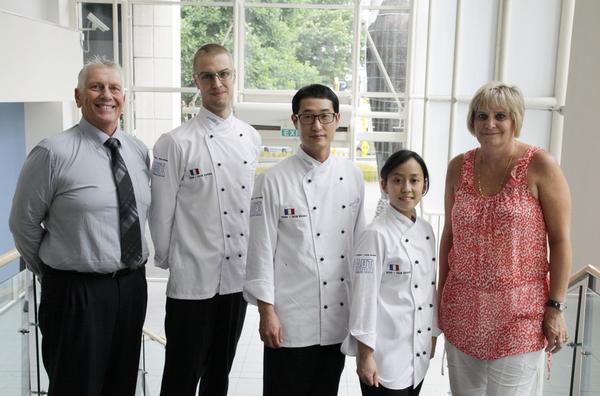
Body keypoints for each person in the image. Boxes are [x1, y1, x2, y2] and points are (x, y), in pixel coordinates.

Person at [9, 57, 151, 396]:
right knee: (76, 386)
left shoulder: (137, 150)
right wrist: (54, 271)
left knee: (122, 384)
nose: (106, 95)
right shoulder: (51, 153)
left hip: (131, 287)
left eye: (114, 88)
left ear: (124, 99)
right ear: (78, 96)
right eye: (96, 86)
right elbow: (22, 223)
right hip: (76, 293)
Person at [438, 81, 572, 395]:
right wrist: (439, 301)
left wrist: (556, 306)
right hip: (462, 311)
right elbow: (449, 236)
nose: (490, 124)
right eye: (481, 116)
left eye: (500, 116)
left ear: (515, 121)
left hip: (520, 315)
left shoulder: (541, 166)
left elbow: (561, 240)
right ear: (472, 122)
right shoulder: (458, 167)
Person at [149, 43, 261, 396]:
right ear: (196, 80)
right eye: (208, 76)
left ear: (234, 75)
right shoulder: (175, 142)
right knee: (181, 375)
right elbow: (160, 212)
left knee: (220, 375)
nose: (217, 83)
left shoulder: (250, 136)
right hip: (192, 280)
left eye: (223, 74)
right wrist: (172, 260)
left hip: (236, 280)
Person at [244, 83, 366, 396]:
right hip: (290, 318)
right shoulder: (272, 180)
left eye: (324, 116)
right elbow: (260, 251)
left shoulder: (352, 177)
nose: (317, 125)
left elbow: (358, 246)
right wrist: (266, 312)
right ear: (295, 121)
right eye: (308, 117)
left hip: (336, 314)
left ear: (337, 120)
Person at [344, 149, 439, 396]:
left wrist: (432, 334)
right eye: (397, 180)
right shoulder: (375, 234)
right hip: (384, 356)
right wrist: (365, 355)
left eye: (414, 180)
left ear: (424, 185)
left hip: (417, 351)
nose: (406, 188)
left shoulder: (427, 230)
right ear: (384, 185)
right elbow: (363, 298)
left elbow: (430, 289)